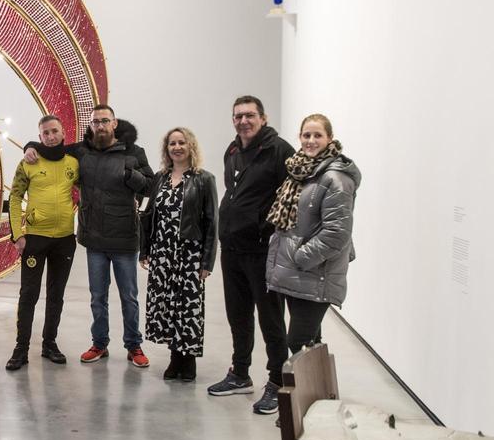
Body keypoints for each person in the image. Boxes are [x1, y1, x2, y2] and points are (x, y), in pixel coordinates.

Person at [25, 104, 154, 367]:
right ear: (91, 125)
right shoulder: (82, 150)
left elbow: (151, 185)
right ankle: (100, 343)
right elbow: (53, 148)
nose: (100, 126)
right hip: (94, 238)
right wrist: (30, 145)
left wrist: (132, 176)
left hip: (125, 238)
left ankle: (134, 345)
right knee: (97, 296)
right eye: (95, 122)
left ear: (114, 123)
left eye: (105, 121)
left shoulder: (134, 151)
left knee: (129, 296)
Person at [206, 95, 295, 416]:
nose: (243, 121)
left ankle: (277, 381)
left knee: (271, 319)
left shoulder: (280, 151)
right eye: (238, 116)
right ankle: (240, 373)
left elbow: (291, 197)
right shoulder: (233, 150)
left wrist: (269, 230)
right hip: (232, 248)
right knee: (238, 315)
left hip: (262, 250)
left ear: (263, 117)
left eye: (249, 115)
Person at [265, 114, 361, 355]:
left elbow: (337, 233)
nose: (311, 140)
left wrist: (300, 257)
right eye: (306, 135)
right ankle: (315, 393)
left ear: (330, 139)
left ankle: (296, 391)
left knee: (297, 342)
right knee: (310, 345)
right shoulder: (301, 171)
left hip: (315, 272)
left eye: (317, 135)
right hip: (297, 272)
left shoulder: (336, 177)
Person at [140, 128, 218, 381]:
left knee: (188, 308)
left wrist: (207, 261)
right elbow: (149, 214)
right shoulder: (160, 178)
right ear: (167, 149)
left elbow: (211, 222)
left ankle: (189, 362)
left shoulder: (204, 179)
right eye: (172, 143)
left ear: (190, 146)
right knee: (167, 307)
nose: (177, 147)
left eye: (181, 142)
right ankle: (175, 359)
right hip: (162, 253)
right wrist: (145, 249)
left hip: (190, 254)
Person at [4, 114, 78, 371]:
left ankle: (50, 344)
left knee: (56, 295)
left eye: (54, 131)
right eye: (45, 133)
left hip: (65, 240)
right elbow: (14, 198)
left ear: (63, 133)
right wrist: (17, 234)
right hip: (35, 240)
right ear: (40, 137)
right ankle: (21, 348)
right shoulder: (28, 163)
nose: (50, 136)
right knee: (29, 295)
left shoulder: (73, 163)